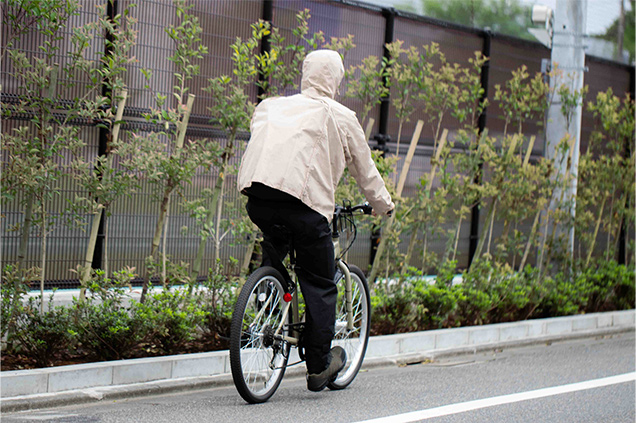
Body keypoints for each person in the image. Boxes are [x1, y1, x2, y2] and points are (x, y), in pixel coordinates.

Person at [237, 49, 394, 392]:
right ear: (336, 79)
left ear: (306, 74)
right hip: (305, 208)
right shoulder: (340, 115)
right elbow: (364, 170)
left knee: (277, 248)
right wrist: (383, 205)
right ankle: (319, 366)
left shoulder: (272, 106)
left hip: (259, 200)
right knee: (320, 282)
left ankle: (270, 301)